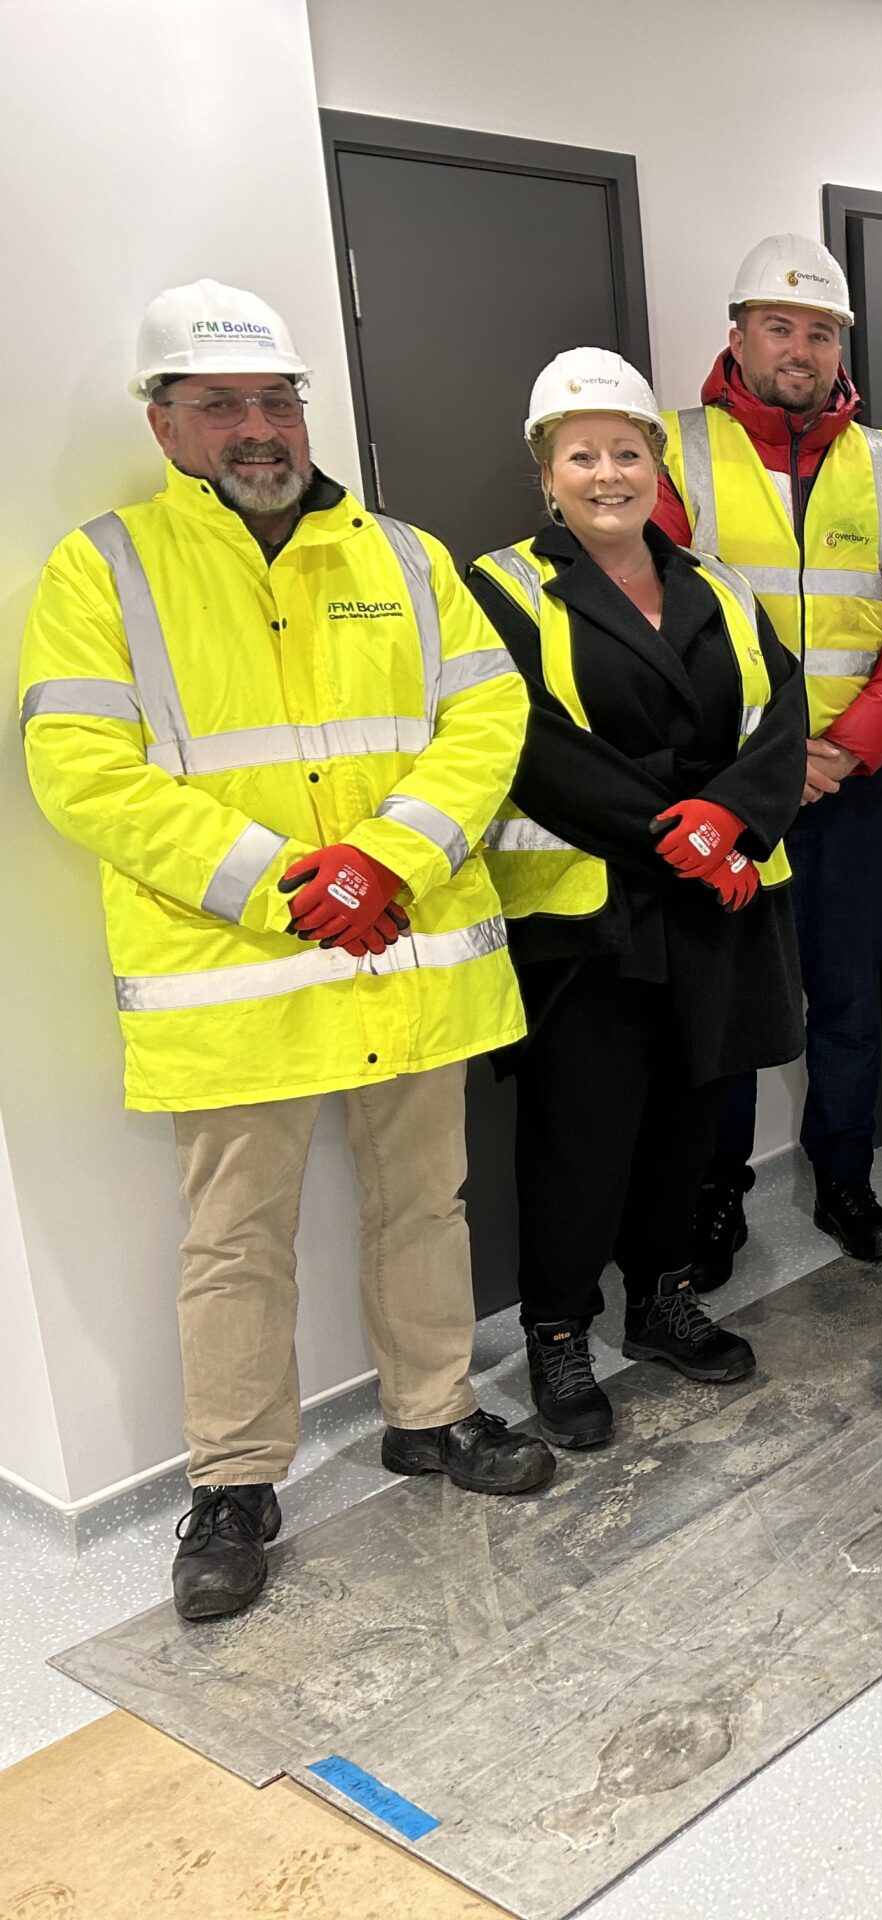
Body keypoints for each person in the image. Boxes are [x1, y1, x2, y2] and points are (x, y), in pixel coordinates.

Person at [18, 281, 553, 1622]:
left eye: (276, 400)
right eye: (220, 405)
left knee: (424, 1207)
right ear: (165, 420)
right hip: (237, 981)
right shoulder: (107, 567)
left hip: (404, 955)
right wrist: (286, 884)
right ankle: (235, 1485)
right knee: (235, 1244)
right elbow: (76, 766)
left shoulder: (409, 559)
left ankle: (432, 1417)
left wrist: (392, 860)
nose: (257, 428)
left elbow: (486, 722)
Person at [467, 350, 808, 1450]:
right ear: (547, 474)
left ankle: (661, 1297)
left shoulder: (719, 587)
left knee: (688, 1115)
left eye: (626, 452)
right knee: (581, 1133)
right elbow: (524, 742)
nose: (607, 473)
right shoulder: (503, 587)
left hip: (713, 901)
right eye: (582, 456)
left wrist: (736, 820)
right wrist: (680, 832)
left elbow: (780, 716)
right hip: (590, 912)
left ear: (657, 465)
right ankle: (559, 1333)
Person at [648, 234, 882, 1281]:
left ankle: (843, 1177)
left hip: (853, 788)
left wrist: (847, 751)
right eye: (779, 326)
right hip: (730, 792)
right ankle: (715, 1198)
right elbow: (651, 623)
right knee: (727, 1004)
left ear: (841, 348)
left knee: (848, 996)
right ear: (737, 335)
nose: (801, 348)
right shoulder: (669, 452)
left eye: (819, 331)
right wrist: (766, 770)